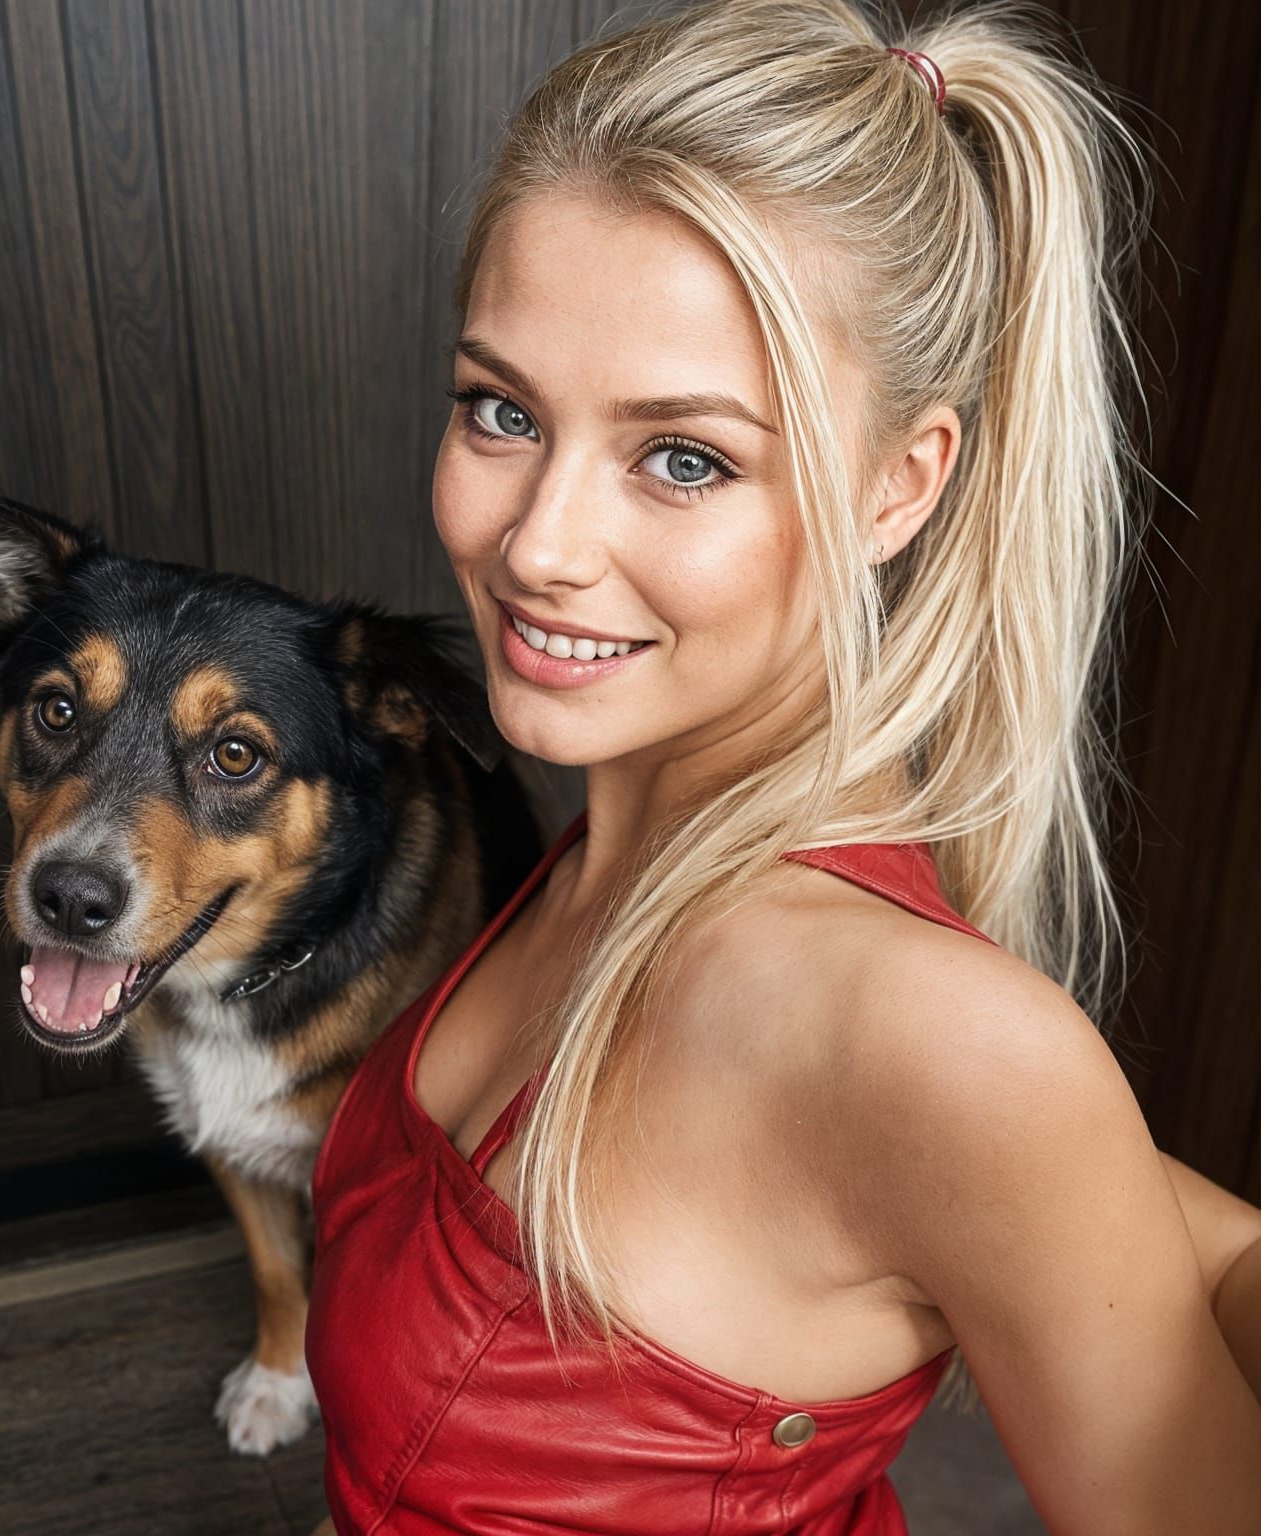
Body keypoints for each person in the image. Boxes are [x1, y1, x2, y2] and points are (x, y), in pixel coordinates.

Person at [303, 1, 1261, 1530]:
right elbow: (1166, 1238)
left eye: (683, 457)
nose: (536, 547)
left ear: (898, 485)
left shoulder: (923, 1037)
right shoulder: (609, 848)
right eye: (502, 412)